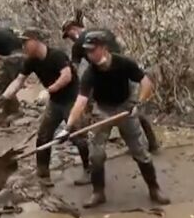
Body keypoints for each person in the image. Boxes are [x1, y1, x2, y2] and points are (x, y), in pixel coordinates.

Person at [57, 30, 171, 208]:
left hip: (125, 108)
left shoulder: (124, 63)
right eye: (87, 51)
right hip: (103, 110)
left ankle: (154, 188)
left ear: (103, 48)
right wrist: (68, 126)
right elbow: (81, 101)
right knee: (96, 155)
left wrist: (138, 104)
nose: (89, 54)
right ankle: (98, 193)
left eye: (93, 50)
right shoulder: (90, 73)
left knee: (140, 151)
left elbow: (146, 83)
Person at [0, 28, 91, 187]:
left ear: (36, 40)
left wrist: (48, 91)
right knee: (43, 136)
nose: (23, 46)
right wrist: (5, 96)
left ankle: (89, 169)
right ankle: (43, 173)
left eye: (26, 42)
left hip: (71, 101)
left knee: (78, 136)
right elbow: (19, 81)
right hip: (55, 102)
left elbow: (66, 76)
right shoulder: (31, 61)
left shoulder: (57, 56)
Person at [61, 19, 161, 154]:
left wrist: (79, 89)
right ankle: (151, 143)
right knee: (133, 107)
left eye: (69, 35)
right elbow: (120, 51)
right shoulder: (105, 33)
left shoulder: (79, 45)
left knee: (105, 108)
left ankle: (105, 142)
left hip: (106, 78)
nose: (70, 39)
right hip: (123, 74)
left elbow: (75, 69)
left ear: (73, 29)